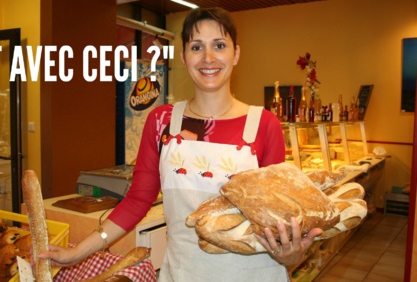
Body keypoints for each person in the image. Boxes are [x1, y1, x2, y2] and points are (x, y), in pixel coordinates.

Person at [39, 7, 322, 281]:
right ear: (184, 57)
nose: (208, 58)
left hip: (253, 274)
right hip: (184, 273)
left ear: (236, 54)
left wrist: (289, 254)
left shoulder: (263, 124)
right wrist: (77, 253)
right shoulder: (162, 122)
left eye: (219, 45)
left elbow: (278, 217)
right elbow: (137, 201)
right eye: (196, 47)